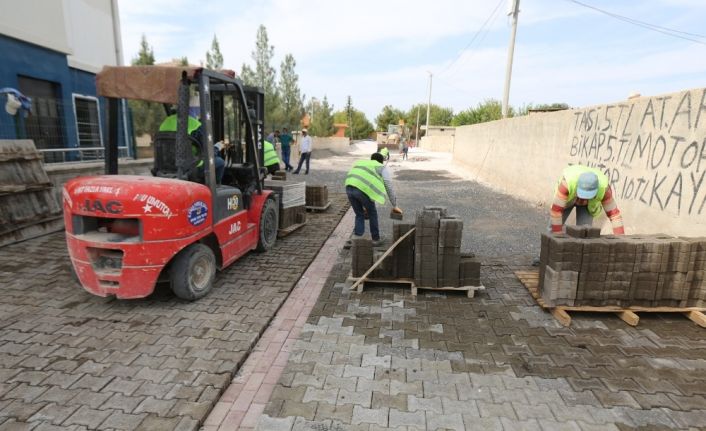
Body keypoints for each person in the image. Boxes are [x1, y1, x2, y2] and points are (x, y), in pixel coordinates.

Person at [344, 152, 403, 247]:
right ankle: (375, 239)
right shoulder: (381, 167)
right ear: (381, 161)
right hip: (362, 190)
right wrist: (395, 205)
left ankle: (353, 240)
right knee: (372, 214)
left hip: (349, 187)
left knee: (359, 214)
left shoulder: (362, 163)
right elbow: (388, 186)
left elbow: (362, 180)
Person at [550, 164, 625, 234]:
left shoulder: (604, 189)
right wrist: (556, 238)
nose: (584, 200)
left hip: (589, 205)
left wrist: (621, 241)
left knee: (585, 232)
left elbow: (614, 215)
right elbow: (556, 211)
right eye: (582, 196)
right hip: (569, 197)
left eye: (588, 197)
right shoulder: (567, 184)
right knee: (553, 228)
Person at [158, 114, 225, 183]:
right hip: (191, 168)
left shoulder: (164, 123)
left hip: (167, 167)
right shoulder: (196, 125)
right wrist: (217, 147)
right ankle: (213, 189)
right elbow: (208, 153)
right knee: (220, 162)